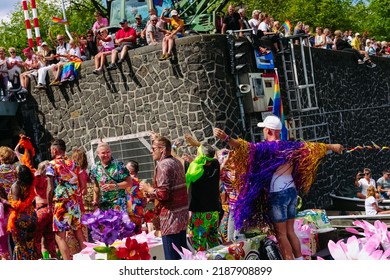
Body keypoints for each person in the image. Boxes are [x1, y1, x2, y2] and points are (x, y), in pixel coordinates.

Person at [214, 115, 343, 260]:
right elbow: (315, 147)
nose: (263, 132)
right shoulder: (290, 146)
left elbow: (243, 146)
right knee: (290, 232)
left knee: (281, 235)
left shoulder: (266, 148)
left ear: (268, 131)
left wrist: (226, 138)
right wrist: (333, 147)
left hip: (278, 195)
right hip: (292, 192)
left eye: (263, 129)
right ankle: (299, 260)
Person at [139, 135, 188, 260]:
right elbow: (171, 191)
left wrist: (149, 189)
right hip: (181, 218)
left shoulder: (163, 165)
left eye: (153, 148)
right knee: (184, 258)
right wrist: (151, 194)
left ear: (162, 149)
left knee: (172, 260)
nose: (151, 151)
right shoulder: (176, 162)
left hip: (170, 221)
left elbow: (163, 195)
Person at [46, 139, 86, 260]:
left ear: (54, 150)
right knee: (79, 233)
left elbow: (50, 187)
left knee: (60, 237)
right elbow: (81, 184)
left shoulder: (52, 165)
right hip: (74, 202)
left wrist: (49, 204)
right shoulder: (74, 164)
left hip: (61, 204)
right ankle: (88, 260)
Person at [185, 144, 221, 251]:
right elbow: (213, 156)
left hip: (200, 215)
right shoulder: (216, 165)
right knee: (214, 242)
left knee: (199, 245)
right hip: (214, 212)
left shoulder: (196, 170)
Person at [8, 165, 40, 259]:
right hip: (31, 216)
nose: (14, 171)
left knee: (20, 245)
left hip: (21, 219)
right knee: (30, 244)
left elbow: (16, 205)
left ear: (18, 175)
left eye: (15, 170)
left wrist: (2, 200)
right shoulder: (29, 184)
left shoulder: (16, 186)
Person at [90, 142, 132, 212]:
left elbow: (129, 183)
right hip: (103, 206)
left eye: (108, 152)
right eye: (103, 153)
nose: (106, 155)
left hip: (118, 206)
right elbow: (96, 186)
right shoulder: (95, 168)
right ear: (98, 154)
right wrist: (95, 201)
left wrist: (113, 186)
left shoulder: (118, 165)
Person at [34, 160, 57, 259]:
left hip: (40, 209)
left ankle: (40, 258)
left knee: (37, 239)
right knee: (50, 239)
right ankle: (54, 257)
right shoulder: (52, 179)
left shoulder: (37, 179)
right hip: (51, 209)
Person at [125, 160, 146, 234]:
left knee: (128, 236)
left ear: (130, 170)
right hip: (139, 213)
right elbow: (144, 203)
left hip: (129, 213)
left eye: (126, 168)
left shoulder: (127, 182)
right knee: (138, 236)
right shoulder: (142, 183)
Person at [0, 187, 10, 259]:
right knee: (5, 251)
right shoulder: (6, 204)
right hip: (6, 228)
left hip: (2, 230)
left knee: (3, 252)